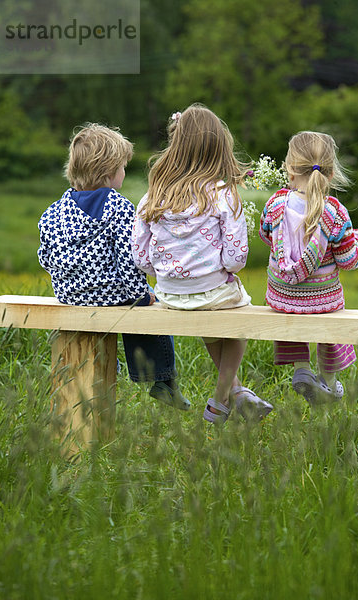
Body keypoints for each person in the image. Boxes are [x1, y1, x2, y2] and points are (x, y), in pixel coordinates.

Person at [131, 104, 273, 423]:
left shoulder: (153, 195)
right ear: (218, 150)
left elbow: (141, 258)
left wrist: (168, 274)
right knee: (238, 324)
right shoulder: (224, 195)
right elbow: (235, 261)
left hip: (169, 295)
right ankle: (220, 402)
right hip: (212, 293)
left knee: (212, 315)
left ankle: (238, 393)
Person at [38, 122, 189, 410]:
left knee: (128, 302)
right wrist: (144, 295)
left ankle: (110, 364)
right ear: (109, 172)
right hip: (112, 294)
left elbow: (46, 257)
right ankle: (161, 380)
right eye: (122, 167)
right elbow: (128, 262)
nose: (124, 172)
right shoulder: (118, 207)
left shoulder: (53, 211)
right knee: (145, 308)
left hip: (69, 295)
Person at [259, 131, 358, 404]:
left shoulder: (275, 204)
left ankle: (301, 370)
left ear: (290, 169)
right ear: (330, 175)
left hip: (282, 297)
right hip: (323, 299)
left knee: (291, 308)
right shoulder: (335, 212)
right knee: (329, 317)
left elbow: (265, 235)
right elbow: (348, 261)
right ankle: (329, 384)